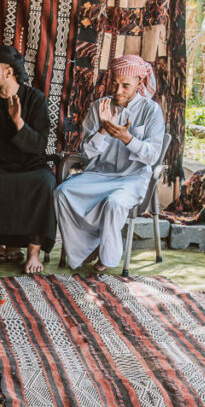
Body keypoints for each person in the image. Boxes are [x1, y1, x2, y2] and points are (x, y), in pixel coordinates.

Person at [54, 54, 165, 271]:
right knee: (61, 194)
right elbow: (87, 151)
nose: (118, 91)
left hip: (132, 178)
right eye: (114, 84)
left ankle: (107, 258)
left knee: (114, 203)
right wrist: (103, 129)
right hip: (97, 175)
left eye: (125, 85)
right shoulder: (99, 107)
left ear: (139, 83)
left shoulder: (151, 111)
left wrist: (127, 138)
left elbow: (152, 156)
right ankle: (88, 246)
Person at [0, 44, 56, 274]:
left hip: (29, 165)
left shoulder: (35, 99)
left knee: (44, 182)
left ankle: (33, 253)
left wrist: (18, 122)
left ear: (8, 72)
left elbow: (39, 146)